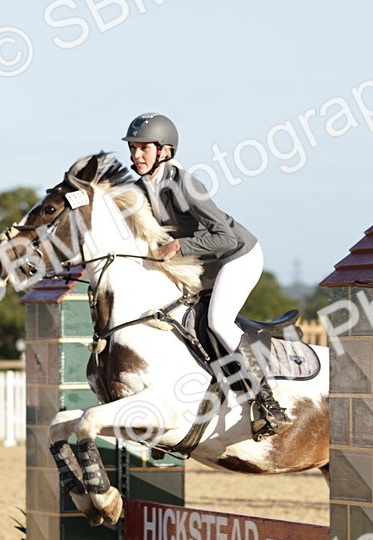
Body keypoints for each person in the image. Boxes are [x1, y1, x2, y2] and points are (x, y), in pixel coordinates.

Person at [121, 112, 291, 441]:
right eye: (133, 148)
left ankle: (269, 404)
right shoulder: (141, 186)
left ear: (164, 151)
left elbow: (225, 237)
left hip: (238, 256)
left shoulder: (184, 183)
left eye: (143, 148)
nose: (135, 154)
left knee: (217, 322)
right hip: (206, 263)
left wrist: (178, 245)